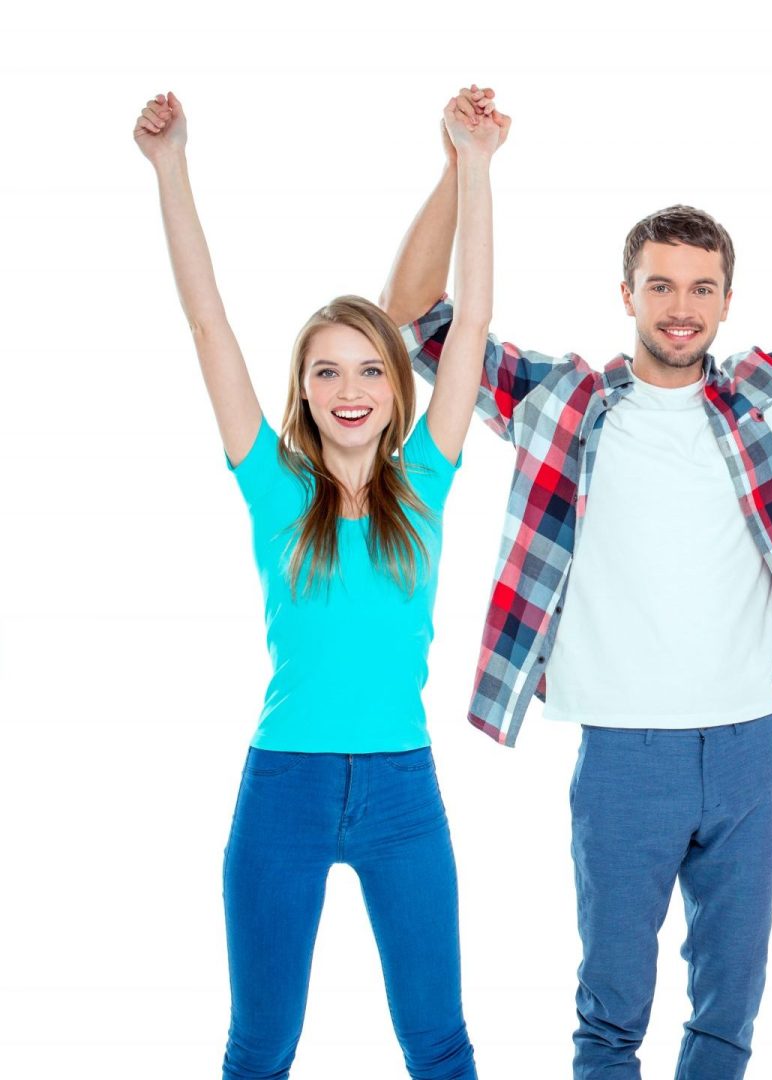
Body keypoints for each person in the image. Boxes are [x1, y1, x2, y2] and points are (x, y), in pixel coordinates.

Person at [378, 96, 772, 1080]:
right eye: (662, 286)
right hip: (623, 752)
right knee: (611, 1018)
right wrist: (463, 165)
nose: (682, 306)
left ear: (726, 301)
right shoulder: (561, 398)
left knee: (729, 1014)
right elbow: (416, 321)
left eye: (703, 288)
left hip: (748, 747)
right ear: (626, 294)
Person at [135, 88, 504, 1079]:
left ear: (397, 389)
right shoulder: (272, 484)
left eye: (370, 371)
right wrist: (172, 170)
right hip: (284, 789)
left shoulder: (424, 479)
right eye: (327, 372)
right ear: (301, 389)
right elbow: (208, 322)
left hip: (401, 791)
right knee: (260, 1046)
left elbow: (467, 332)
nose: (350, 390)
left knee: (439, 1041)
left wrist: (472, 166)